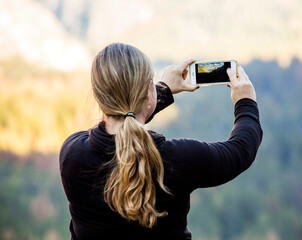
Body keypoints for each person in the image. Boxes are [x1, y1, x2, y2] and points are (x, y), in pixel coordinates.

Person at [59, 43, 262, 240]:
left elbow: (124, 121)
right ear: (148, 91)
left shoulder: (72, 154)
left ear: (98, 96)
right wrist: (246, 102)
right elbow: (240, 150)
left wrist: (162, 91)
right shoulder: (177, 160)